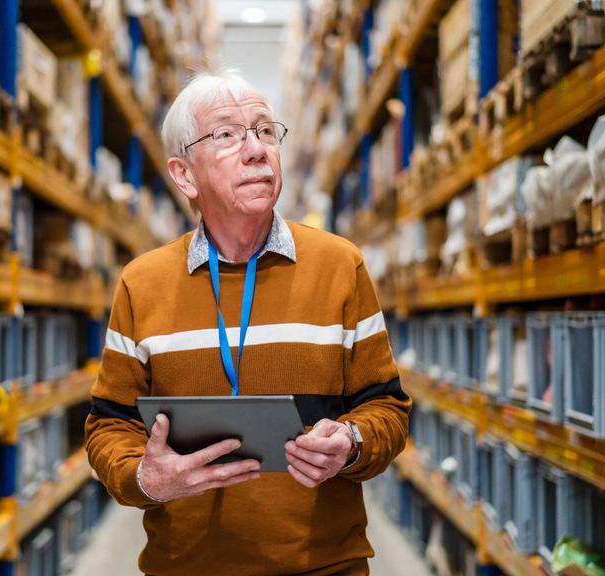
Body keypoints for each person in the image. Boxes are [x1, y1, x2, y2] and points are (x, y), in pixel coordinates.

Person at [84, 70, 411, 576]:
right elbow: (109, 425)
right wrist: (146, 479)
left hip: (325, 566)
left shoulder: (340, 266)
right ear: (184, 175)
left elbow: (387, 407)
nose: (256, 149)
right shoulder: (141, 284)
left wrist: (350, 442)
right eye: (226, 135)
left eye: (264, 131)